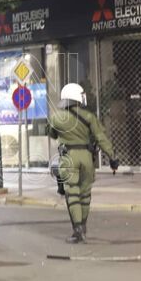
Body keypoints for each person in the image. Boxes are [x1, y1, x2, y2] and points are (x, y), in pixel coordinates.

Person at [48, 83, 119, 243]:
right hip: (87, 157)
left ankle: (78, 230)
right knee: (85, 194)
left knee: (72, 193)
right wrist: (112, 158)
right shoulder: (89, 116)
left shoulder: (57, 117)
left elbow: (52, 134)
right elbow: (101, 138)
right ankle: (84, 226)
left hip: (68, 157)